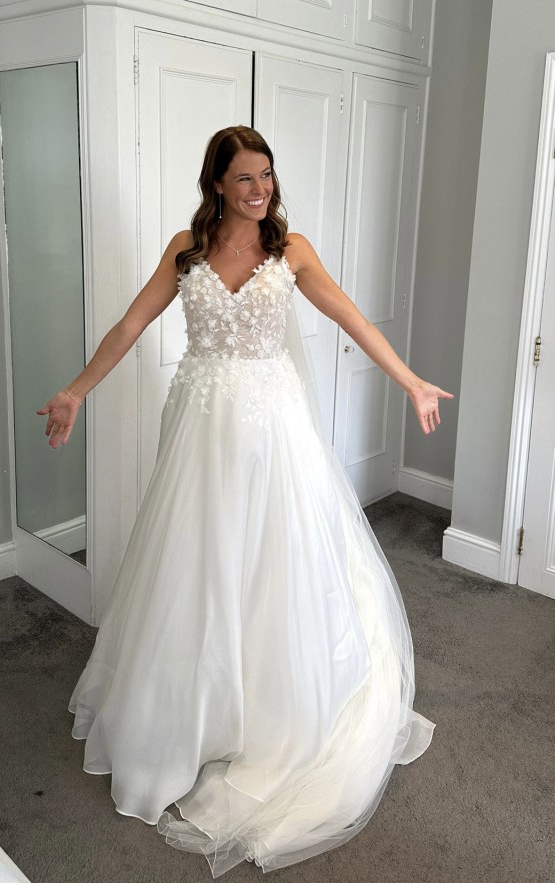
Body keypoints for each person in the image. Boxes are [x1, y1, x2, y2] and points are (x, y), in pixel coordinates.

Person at [38, 126, 452, 877]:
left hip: (275, 432)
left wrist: (412, 381)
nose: (260, 190)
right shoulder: (185, 251)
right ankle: (191, 709)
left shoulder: (291, 251)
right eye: (244, 179)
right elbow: (130, 325)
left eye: (266, 176)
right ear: (217, 185)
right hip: (202, 431)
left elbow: (353, 318)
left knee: (275, 564)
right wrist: (75, 391)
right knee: (196, 565)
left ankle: (273, 707)